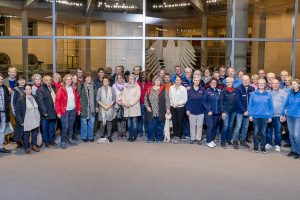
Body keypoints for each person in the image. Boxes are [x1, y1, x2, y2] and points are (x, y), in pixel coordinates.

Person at [55, 74, 80, 149]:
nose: (69, 80)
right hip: (64, 111)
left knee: (71, 126)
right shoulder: (61, 89)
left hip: (73, 110)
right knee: (65, 127)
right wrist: (58, 112)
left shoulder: (74, 89)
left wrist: (78, 109)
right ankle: (62, 141)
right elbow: (57, 101)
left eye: (70, 79)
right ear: (64, 80)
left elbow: (77, 100)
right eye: (67, 79)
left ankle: (70, 139)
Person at [249, 78, 274, 153]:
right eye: (259, 83)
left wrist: (270, 116)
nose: (261, 85)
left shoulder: (268, 94)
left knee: (263, 132)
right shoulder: (253, 94)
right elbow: (250, 105)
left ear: (265, 85)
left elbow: (271, 106)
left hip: (265, 116)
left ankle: (263, 147)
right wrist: (250, 115)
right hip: (255, 116)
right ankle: (256, 147)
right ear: (257, 84)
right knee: (256, 132)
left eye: (262, 83)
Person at [15, 84, 41, 154]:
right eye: (27, 89)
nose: (29, 90)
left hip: (35, 118)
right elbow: (17, 111)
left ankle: (33, 146)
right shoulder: (21, 99)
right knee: (26, 135)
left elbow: (37, 108)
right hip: (26, 119)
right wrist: (20, 121)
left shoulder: (34, 97)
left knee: (34, 133)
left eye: (29, 89)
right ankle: (26, 147)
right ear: (24, 90)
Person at [144, 76, 170, 143]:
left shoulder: (164, 89)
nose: (158, 82)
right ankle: (151, 138)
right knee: (151, 125)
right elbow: (145, 100)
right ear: (154, 81)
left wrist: (168, 109)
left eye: (159, 80)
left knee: (160, 125)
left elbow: (167, 100)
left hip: (161, 110)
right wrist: (147, 107)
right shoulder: (149, 89)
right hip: (151, 111)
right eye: (156, 80)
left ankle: (159, 138)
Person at [233, 75, 255, 149]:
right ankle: (235, 140)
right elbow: (237, 101)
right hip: (240, 111)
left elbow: (253, 101)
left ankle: (242, 140)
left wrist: (249, 111)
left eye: (247, 80)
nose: (246, 81)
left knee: (246, 127)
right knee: (238, 126)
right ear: (242, 81)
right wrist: (244, 111)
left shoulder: (252, 89)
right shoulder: (238, 89)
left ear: (249, 80)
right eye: (244, 80)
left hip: (249, 112)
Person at [265, 79, 287, 152]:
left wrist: (284, 115)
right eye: (273, 83)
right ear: (270, 85)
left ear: (279, 84)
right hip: (269, 116)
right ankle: (269, 143)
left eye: (277, 83)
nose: (275, 85)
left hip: (279, 116)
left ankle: (278, 145)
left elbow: (286, 105)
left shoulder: (283, 92)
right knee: (268, 131)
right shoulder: (267, 92)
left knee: (278, 131)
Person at [36, 75, 57, 148]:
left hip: (53, 112)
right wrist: (44, 112)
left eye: (50, 80)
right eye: (46, 80)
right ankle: (46, 142)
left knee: (52, 128)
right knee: (45, 128)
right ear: (43, 81)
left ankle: (51, 140)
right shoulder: (40, 89)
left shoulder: (52, 88)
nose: (48, 81)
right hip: (46, 113)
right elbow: (40, 102)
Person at [186, 75, 207, 145]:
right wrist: (187, 110)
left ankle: (198, 138)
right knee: (192, 125)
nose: (197, 81)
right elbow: (187, 101)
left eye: (198, 80)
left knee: (199, 126)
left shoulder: (203, 89)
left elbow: (205, 100)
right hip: (191, 111)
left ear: (200, 81)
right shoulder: (189, 90)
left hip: (201, 111)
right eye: (195, 80)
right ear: (193, 81)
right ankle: (192, 138)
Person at [78, 73, 97, 142]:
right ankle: (84, 137)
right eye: (87, 77)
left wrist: (96, 106)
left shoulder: (94, 85)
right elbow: (78, 96)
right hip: (84, 107)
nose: (89, 79)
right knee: (84, 123)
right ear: (85, 78)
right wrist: (79, 107)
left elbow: (96, 97)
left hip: (92, 107)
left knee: (91, 122)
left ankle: (90, 136)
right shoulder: (81, 85)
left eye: (90, 77)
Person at [97, 76, 116, 143]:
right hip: (102, 109)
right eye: (104, 81)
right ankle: (102, 136)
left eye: (106, 81)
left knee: (109, 123)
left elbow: (114, 99)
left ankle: (109, 136)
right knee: (102, 123)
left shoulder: (112, 89)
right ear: (102, 82)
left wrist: (109, 106)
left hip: (110, 108)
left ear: (109, 82)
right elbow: (98, 100)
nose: (105, 82)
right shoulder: (99, 89)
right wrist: (104, 106)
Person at [122, 74, 141, 142]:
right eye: (130, 79)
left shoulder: (137, 87)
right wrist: (124, 103)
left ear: (134, 79)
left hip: (134, 107)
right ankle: (130, 136)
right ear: (128, 80)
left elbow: (138, 97)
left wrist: (131, 104)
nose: (131, 80)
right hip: (127, 107)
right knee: (129, 123)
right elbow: (123, 95)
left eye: (132, 79)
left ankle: (134, 136)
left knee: (135, 123)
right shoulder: (126, 86)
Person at [284, 79, 300, 159]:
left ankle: (298, 151)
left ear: (299, 85)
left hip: (298, 117)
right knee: (291, 134)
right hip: (289, 116)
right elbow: (286, 104)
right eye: (292, 84)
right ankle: (293, 150)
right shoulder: (290, 93)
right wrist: (285, 111)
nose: (293, 85)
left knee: (297, 135)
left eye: (295, 84)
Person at [220, 77, 237, 148]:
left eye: (230, 82)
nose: (229, 83)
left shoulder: (235, 90)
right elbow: (221, 102)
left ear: (232, 82)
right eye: (228, 82)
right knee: (225, 126)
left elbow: (237, 101)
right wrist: (222, 112)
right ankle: (223, 141)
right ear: (226, 83)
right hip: (225, 111)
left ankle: (228, 139)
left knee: (230, 126)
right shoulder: (223, 91)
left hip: (233, 111)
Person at [169, 76, 187, 140]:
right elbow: (169, 97)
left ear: (181, 81)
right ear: (175, 81)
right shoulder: (171, 88)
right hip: (172, 107)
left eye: (179, 80)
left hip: (180, 108)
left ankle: (179, 135)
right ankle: (175, 134)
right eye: (176, 80)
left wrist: (177, 103)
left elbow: (185, 99)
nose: (178, 81)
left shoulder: (183, 88)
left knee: (180, 122)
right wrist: (172, 104)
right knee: (174, 122)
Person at [11, 75, 26, 148]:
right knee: (18, 127)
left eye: (23, 79)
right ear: (17, 81)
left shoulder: (27, 88)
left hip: (25, 112)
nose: (22, 81)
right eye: (20, 80)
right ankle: (18, 141)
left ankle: (24, 140)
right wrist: (14, 113)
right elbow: (12, 102)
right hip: (18, 112)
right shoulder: (15, 90)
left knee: (24, 127)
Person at [205, 78, 221, 148]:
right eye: (212, 82)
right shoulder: (207, 91)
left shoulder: (218, 91)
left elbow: (219, 102)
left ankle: (211, 140)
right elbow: (203, 102)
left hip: (217, 113)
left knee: (214, 127)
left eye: (215, 82)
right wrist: (208, 110)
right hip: (209, 113)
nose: (214, 83)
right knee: (210, 127)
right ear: (210, 83)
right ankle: (208, 141)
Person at [137, 71, 152, 137]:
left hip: (147, 104)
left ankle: (146, 131)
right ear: (140, 76)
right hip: (138, 103)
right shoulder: (137, 83)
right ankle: (140, 131)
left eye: (145, 75)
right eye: (142, 75)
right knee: (140, 118)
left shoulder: (150, 83)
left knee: (146, 118)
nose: (144, 76)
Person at [112, 73, 127, 138]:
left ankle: (124, 132)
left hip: (124, 104)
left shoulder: (126, 85)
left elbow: (128, 95)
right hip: (116, 104)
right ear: (116, 79)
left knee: (124, 119)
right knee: (118, 118)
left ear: (123, 78)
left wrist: (123, 101)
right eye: (118, 78)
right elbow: (113, 95)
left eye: (120, 78)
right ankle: (119, 132)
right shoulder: (114, 86)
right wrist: (117, 101)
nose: (119, 79)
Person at [0, 73, 11, 153]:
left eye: (1, 79)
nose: (0, 80)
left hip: (4, 113)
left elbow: (7, 100)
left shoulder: (4, 88)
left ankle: (0, 147)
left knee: (2, 131)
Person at [72, 74, 81, 141]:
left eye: (76, 78)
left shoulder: (79, 85)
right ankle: (70, 135)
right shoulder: (69, 86)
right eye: (73, 78)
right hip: (71, 106)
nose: (75, 79)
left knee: (76, 122)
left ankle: (75, 135)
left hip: (77, 106)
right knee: (71, 122)